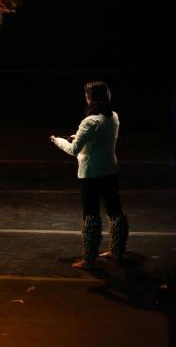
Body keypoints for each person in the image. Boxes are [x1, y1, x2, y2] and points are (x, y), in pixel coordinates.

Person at [50, 81, 129, 270]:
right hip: (110, 170)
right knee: (115, 212)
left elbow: (74, 150)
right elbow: (98, 140)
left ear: (90, 98)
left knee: (91, 217)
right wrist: (78, 137)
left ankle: (89, 259)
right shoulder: (114, 117)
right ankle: (117, 252)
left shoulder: (89, 121)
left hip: (91, 174)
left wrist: (58, 141)